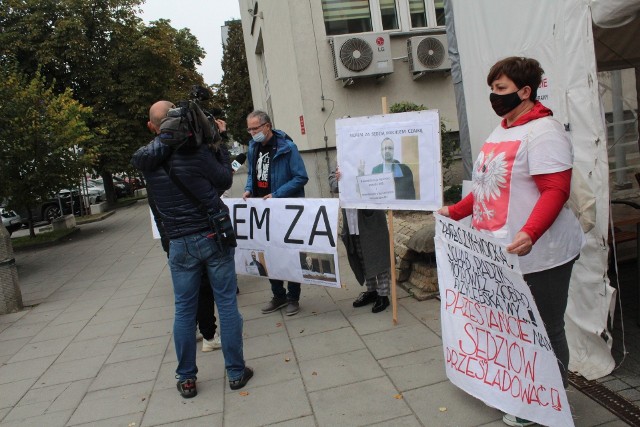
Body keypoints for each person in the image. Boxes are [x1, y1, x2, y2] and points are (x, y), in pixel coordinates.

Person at [438, 57, 583, 427]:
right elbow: (489, 186)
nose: (493, 96)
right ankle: (523, 394)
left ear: (525, 91)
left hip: (542, 255)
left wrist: (530, 232)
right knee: (514, 330)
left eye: (501, 89)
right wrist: (455, 212)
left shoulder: (545, 131)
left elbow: (555, 190)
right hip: (504, 254)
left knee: (546, 329)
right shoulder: (502, 129)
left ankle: (549, 404)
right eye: (493, 88)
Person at [132, 100, 253, 399]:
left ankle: (186, 378)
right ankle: (236, 371)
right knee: (226, 303)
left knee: (184, 311)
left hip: (180, 243)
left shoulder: (147, 160)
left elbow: (156, 204)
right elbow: (225, 178)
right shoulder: (197, 152)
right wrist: (218, 142)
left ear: (152, 127)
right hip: (212, 235)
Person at [242, 110, 308, 316]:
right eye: (249, 129)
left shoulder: (287, 148)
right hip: (262, 210)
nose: (252, 133)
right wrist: (249, 188)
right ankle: (278, 295)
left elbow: (300, 177)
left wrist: (277, 195)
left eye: (255, 128)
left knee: (290, 253)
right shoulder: (253, 147)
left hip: (284, 209)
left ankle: (293, 298)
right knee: (268, 254)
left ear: (267, 126)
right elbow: (252, 174)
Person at [330, 167, 391, 313]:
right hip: (351, 220)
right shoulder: (341, 159)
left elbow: (379, 182)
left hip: (371, 219)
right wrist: (340, 180)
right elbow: (332, 184)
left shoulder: (369, 157)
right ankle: (372, 291)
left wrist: (359, 177)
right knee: (362, 258)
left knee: (378, 257)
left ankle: (383, 295)